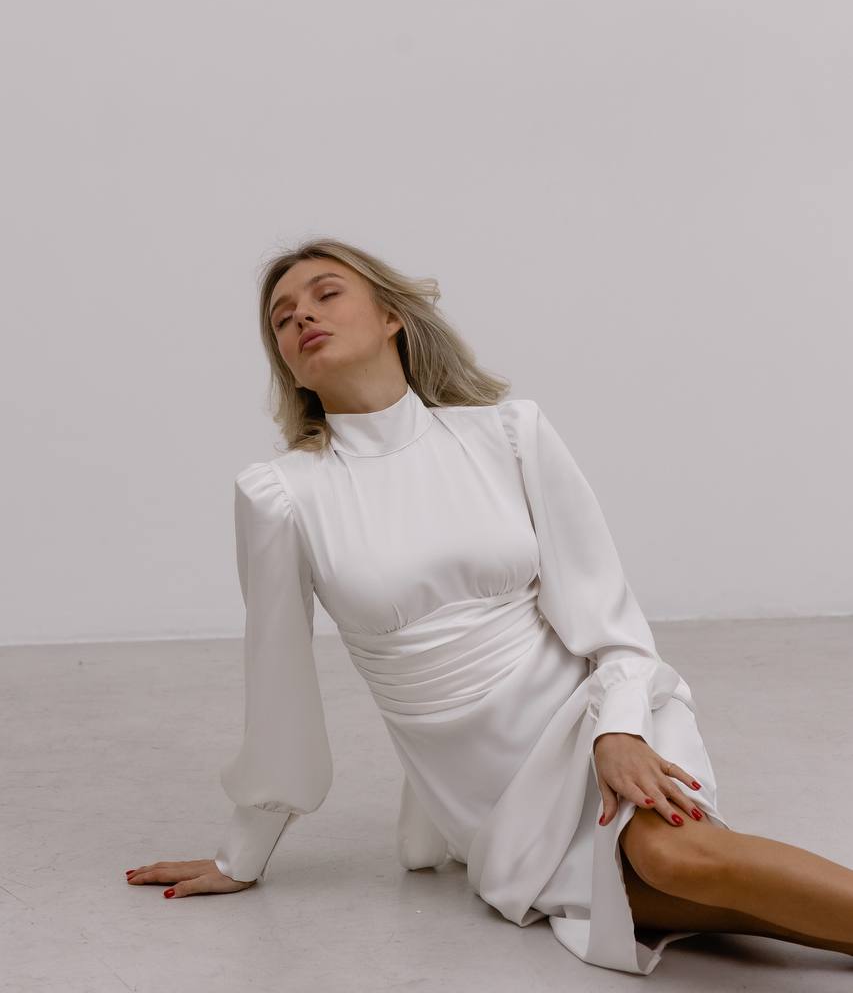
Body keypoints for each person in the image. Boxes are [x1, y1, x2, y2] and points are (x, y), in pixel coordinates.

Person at [125, 237, 853, 974]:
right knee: (664, 886)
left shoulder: (508, 433)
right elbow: (277, 687)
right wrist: (240, 856)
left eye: (326, 293)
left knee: (680, 862)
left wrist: (621, 731)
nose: (301, 317)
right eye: (281, 318)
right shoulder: (283, 495)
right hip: (490, 796)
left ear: (390, 317)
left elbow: (610, 621)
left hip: (599, 719)